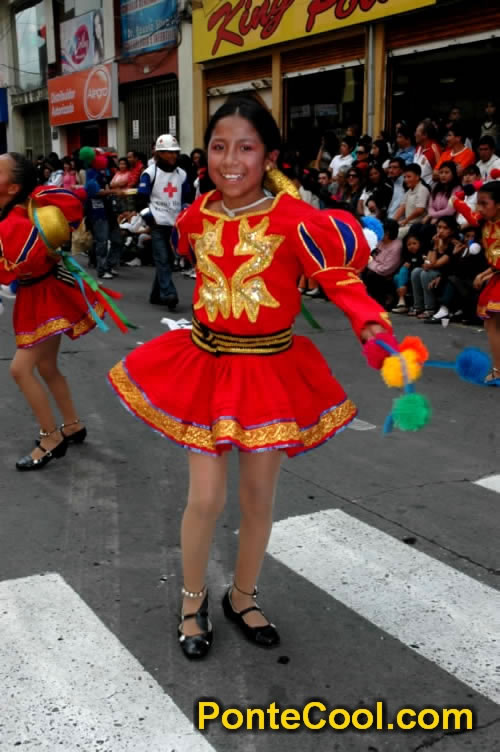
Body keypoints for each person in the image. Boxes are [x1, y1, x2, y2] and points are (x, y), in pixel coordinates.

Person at [108, 96, 398, 660]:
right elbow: (187, 240)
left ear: (268, 156)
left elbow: (339, 279)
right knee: (206, 497)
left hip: (269, 370)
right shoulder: (198, 213)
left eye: (245, 147)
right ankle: (192, 601)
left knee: (259, 497)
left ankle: (242, 596)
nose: (230, 159)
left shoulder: (296, 218)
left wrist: (370, 324)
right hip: (206, 367)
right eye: (219, 147)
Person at [0, 153, 105, 470]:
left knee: (20, 370)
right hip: (43, 291)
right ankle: (72, 424)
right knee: (46, 366)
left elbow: (11, 269)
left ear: (12, 187)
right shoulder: (19, 213)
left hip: (44, 296)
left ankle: (51, 438)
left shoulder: (16, 223)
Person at [137, 134, 190, 310]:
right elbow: (140, 200)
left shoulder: (182, 174)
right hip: (158, 224)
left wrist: (185, 214)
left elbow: (186, 198)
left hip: (174, 225)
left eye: (175, 152)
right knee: (162, 259)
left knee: (166, 259)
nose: (173, 155)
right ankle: (169, 293)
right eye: (169, 152)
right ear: (159, 154)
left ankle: (156, 295)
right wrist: (149, 218)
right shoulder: (149, 173)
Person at [455, 182, 500, 383]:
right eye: (478, 203)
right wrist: (465, 191)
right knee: (492, 323)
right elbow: (460, 206)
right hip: (496, 275)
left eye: (484, 203)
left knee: (493, 323)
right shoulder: (486, 221)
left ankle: (499, 371)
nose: (479, 208)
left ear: (498, 205)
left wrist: (486, 274)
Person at [410, 217, 457, 319]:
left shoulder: (453, 245)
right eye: (439, 227)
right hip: (434, 272)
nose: (441, 231)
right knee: (416, 271)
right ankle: (418, 307)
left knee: (425, 273)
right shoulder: (436, 241)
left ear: (452, 231)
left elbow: (436, 264)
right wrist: (434, 248)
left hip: (445, 275)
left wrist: (435, 248)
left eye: (445, 228)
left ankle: (430, 309)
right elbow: (428, 263)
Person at [362, 219, 402, 306]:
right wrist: (372, 263)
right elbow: (371, 256)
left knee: (371, 275)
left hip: (386, 275)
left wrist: (371, 264)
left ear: (387, 233)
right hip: (375, 268)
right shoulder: (380, 241)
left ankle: (379, 301)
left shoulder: (397, 246)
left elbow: (386, 269)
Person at [392, 227, 428, 314]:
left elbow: (425, 264)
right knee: (397, 276)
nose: (412, 246)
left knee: (403, 271)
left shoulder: (422, 254)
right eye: (409, 244)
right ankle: (403, 301)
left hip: (418, 276)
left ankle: (402, 301)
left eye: (414, 243)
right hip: (408, 278)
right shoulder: (408, 255)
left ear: (420, 243)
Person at [393, 164, 430, 236]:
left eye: (409, 177)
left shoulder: (422, 190)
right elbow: (401, 208)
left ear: (417, 177)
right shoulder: (408, 192)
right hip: (407, 224)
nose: (406, 180)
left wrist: (406, 220)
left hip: (417, 226)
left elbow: (419, 210)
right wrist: (392, 223)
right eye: (405, 177)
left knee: (395, 235)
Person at [414, 120, 441, 185]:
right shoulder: (418, 148)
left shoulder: (435, 150)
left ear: (425, 135)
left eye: (417, 131)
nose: (415, 134)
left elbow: (439, 175)